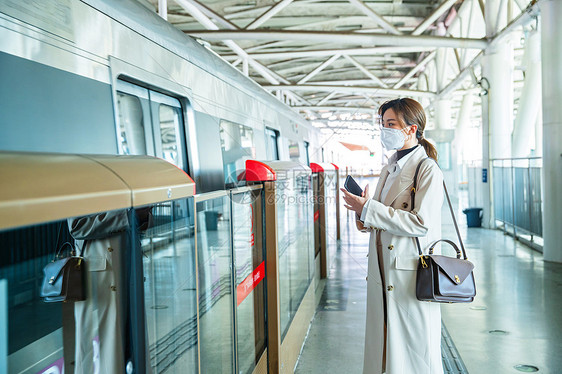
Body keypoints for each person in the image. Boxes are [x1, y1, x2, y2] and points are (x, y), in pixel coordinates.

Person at [341, 98, 444, 374]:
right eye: (382, 124)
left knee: (413, 352)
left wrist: (370, 209)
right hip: (382, 271)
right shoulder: (389, 167)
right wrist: (361, 211)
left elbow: (422, 224)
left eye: (390, 124)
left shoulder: (427, 169)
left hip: (407, 275)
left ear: (411, 129)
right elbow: (376, 220)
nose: (384, 130)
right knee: (384, 346)